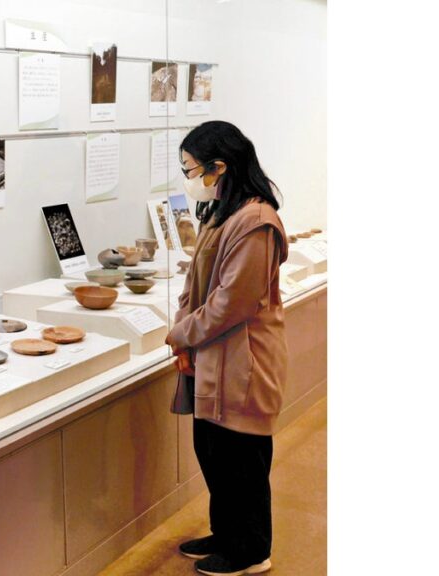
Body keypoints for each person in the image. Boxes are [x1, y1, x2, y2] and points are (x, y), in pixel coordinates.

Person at [166, 121, 288, 576]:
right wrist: (184, 325)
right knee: (214, 451)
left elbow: (232, 302)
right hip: (210, 353)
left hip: (244, 358)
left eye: (192, 169)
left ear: (220, 167)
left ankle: (252, 550)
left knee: (242, 460)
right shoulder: (221, 211)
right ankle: (227, 533)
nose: (189, 179)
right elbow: (195, 283)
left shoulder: (256, 221)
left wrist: (182, 333)